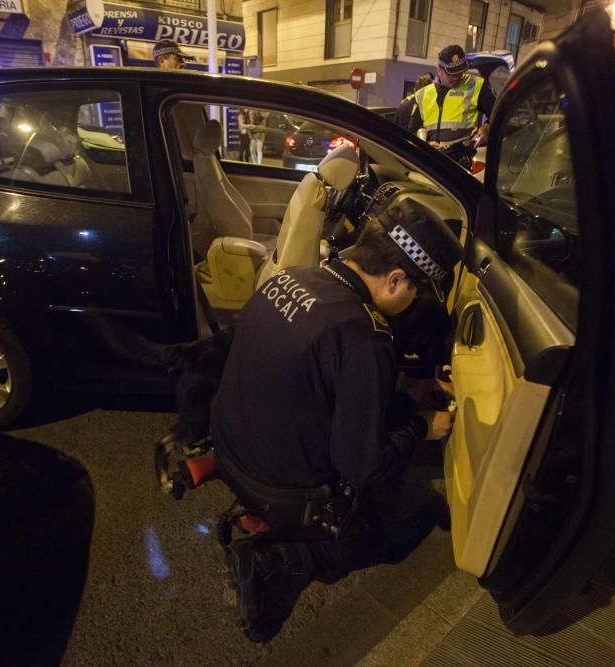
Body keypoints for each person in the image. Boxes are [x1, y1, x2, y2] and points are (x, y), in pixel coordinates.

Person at [210, 199, 460, 641]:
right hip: (282, 494)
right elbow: (361, 465)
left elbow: (313, 371)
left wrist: (400, 387)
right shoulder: (366, 336)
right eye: (417, 292)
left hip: (230, 450)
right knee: (368, 536)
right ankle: (282, 561)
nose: (416, 301)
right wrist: (424, 425)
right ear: (396, 279)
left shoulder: (290, 276)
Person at [409, 44, 496, 148]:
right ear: (438, 70)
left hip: (462, 158)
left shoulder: (476, 86)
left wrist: (487, 128)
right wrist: (425, 145)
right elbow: (412, 132)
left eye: (460, 72)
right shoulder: (422, 95)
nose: (457, 77)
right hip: (430, 158)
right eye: (451, 73)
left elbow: (498, 113)